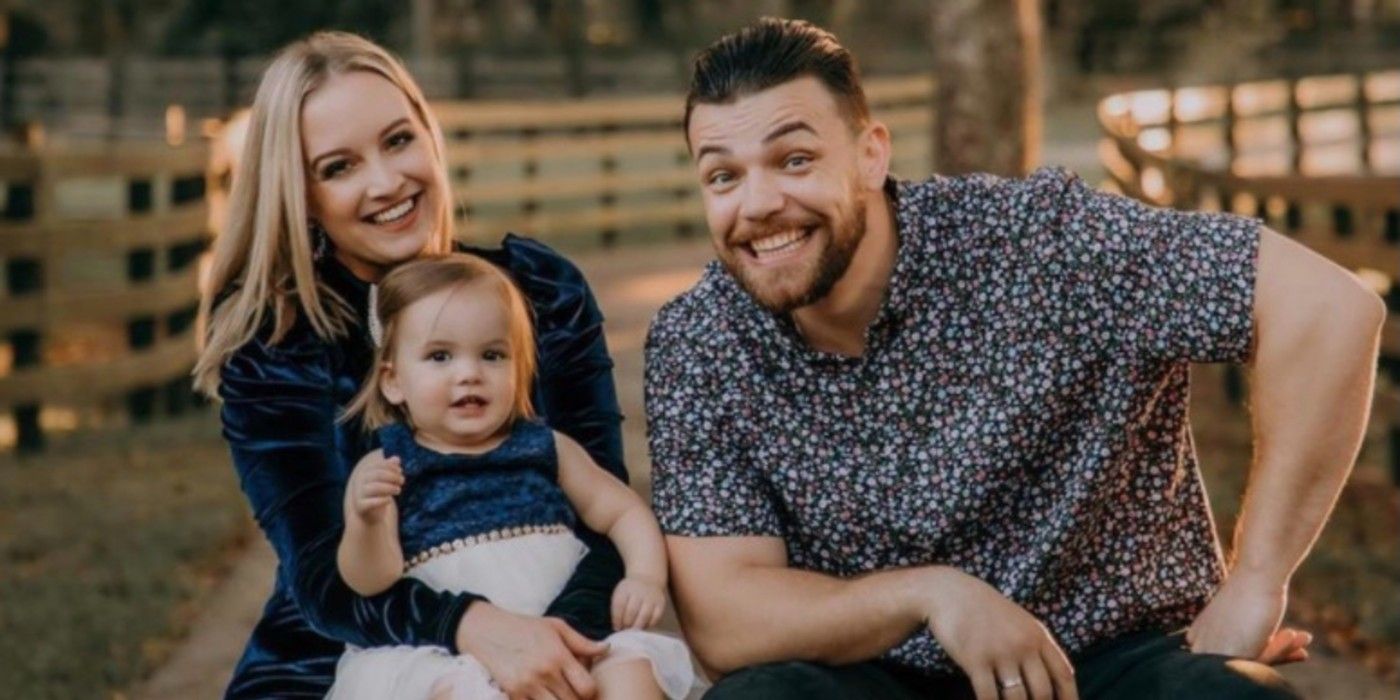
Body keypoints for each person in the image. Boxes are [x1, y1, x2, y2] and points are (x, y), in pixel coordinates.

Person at [643, 17, 1385, 700]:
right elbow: (727, 617)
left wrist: (1255, 583)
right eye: (723, 176)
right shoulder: (700, 340)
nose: (758, 202)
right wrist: (931, 595)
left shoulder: (1038, 241)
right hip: (874, 674)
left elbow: (1328, 309)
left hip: (1112, 662)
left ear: (871, 154)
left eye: (794, 159)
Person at [194, 31, 630, 699]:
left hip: (562, 628)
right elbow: (323, 583)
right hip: (344, 656)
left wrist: (554, 645)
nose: (387, 181)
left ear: (430, 137)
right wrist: (477, 630)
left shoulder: (540, 292)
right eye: (339, 167)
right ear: (301, 193)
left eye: (398, 140)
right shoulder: (277, 348)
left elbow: (608, 512)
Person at [325, 254, 695, 700]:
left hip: (570, 630)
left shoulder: (545, 447)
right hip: (453, 655)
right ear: (393, 381)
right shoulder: (387, 466)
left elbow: (622, 512)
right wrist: (366, 522)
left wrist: (644, 576)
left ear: (519, 367)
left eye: (493, 355)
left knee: (631, 674)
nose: (469, 374)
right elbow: (371, 580)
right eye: (440, 356)